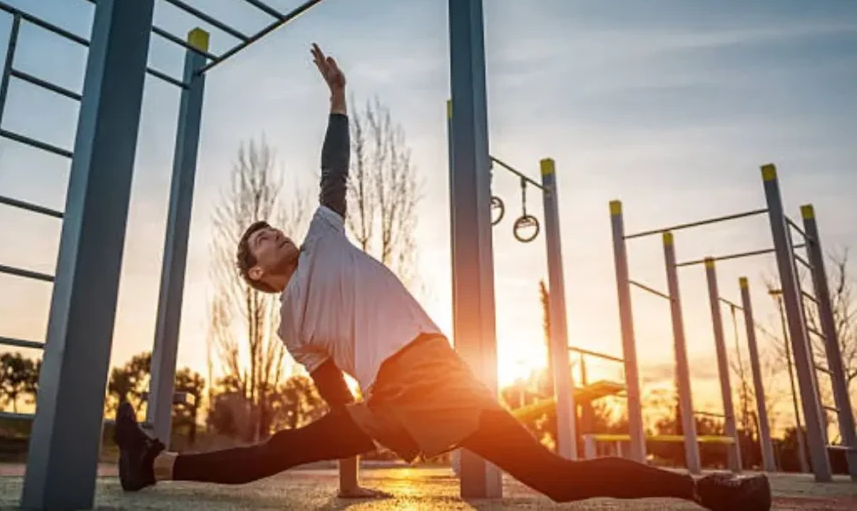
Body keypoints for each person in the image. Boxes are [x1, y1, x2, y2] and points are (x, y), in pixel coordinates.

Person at [114, 44, 772, 511]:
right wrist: (386, 428)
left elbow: (333, 172)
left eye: (271, 227)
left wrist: (339, 96)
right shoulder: (292, 326)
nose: (274, 234)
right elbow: (333, 397)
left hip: (446, 374)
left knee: (558, 479)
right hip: (401, 391)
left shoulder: (322, 235)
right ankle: (156, 463)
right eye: (261, 241)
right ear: (258, 274)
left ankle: (706, 490)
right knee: (283, 449)